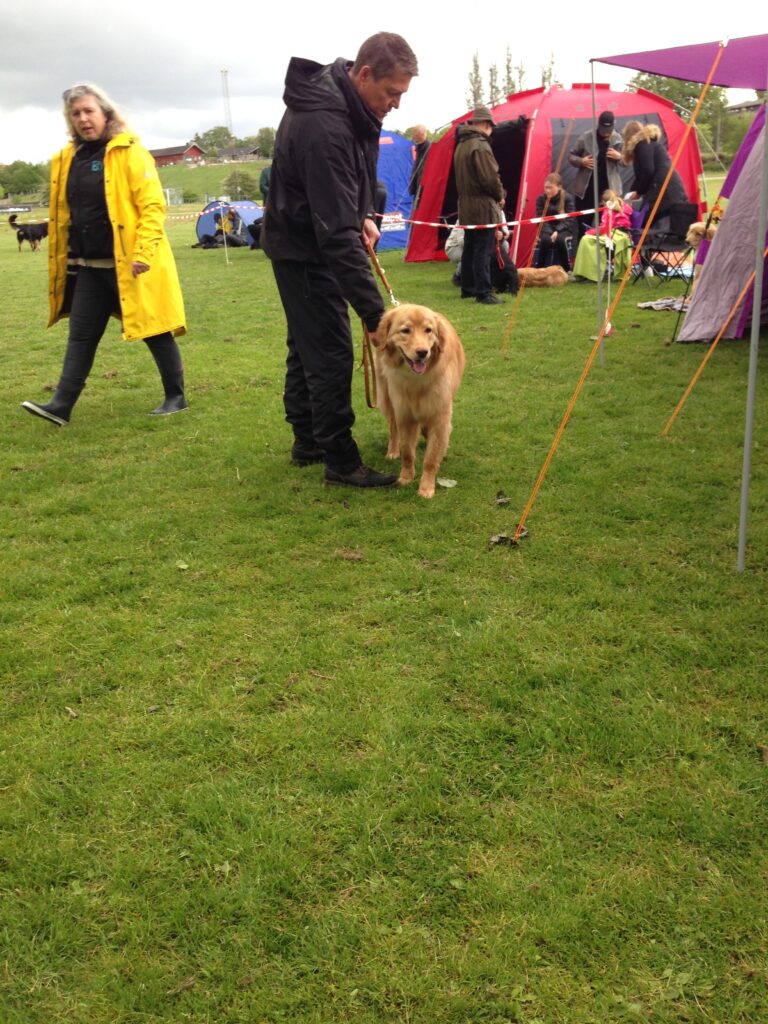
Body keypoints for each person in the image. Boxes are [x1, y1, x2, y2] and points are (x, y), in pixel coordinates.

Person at [261, 32, 418, 488]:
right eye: (392, 93)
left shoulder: (351, 106)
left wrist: (363, 215)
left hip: (307, 237)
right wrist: (376, 316)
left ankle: (308, 439)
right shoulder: (324, 124)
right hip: (303, 248)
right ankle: (341, 460)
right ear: (364, 74)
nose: (396, 104)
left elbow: (351, 181)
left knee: (305, 343)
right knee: (329, 350)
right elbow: (334, 235)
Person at [22, 83, 187, 426]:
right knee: (81, 336)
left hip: (131, 264)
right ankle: (61, 404)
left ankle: (176, 395)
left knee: (153, 329)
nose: (83, 119)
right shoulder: (67, 159)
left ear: (105, 113)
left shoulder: (129, 152)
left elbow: (153, 207)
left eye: (89, 111)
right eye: (76, 114)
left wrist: (143, 251)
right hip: (89, 267)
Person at [453, 105, 505, 305]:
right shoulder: (480, 145)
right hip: (482, 205)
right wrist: (499, 194)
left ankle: (468, 288)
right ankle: (483, 292)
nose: (492, 130)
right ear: (485, 124)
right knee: (483, 249)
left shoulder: (462, 144)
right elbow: (489, 177)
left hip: (466, 204)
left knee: (470, 248)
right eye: (491, 126)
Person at [568, 110, 623, 238]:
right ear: (599, 124)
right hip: (586, 192)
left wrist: (619, 156)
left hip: (608, 193)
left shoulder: (618, 139)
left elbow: (627, 161)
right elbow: (571, 156)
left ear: (613, 126)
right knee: (583, 227)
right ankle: (583, 255)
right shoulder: (586, 137)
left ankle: (605, 257)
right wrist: (581, 161)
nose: (605, 132)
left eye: (608, 129)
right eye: (603, 128)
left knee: (607, 227)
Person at [621, 120, 688, 223]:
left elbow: (648, 171)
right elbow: (641, 176)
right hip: (672, 189)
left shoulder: (642, 145)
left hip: (663, 190)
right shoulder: (650, 144)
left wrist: (638, 192)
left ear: (628, 137)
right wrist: (632, 193)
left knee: (647, 222)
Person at [572, 189, 633, 282]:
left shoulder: (609, 209)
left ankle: (590, 274)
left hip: (615, 236)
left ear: (606, 202)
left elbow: (605, 228)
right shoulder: (624, 206)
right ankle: (588, 273)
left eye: (603, 202)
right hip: (623, 237)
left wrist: (590, 232)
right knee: (587, 240)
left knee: (586, 239)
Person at [534, 172, 576, 272]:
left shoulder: (568, 198)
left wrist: (557, 231)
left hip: (564, 229)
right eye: (546, 187)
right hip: (546, 228)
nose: (547, 190)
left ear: (559, 187)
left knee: (560, 240)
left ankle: (566, 270)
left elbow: (570, 219)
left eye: (551, 188)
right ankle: (540, 269)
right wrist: (550, 232)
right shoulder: (541, 199)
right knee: (545, 240)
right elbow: (541, 218)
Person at [408, 124, 430, 204]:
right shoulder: (418, 148)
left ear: (422, 134)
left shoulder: (429, 149)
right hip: (417, 189)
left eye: (415, 133)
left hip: (424, 190)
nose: (413, 136)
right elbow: (416, 170)